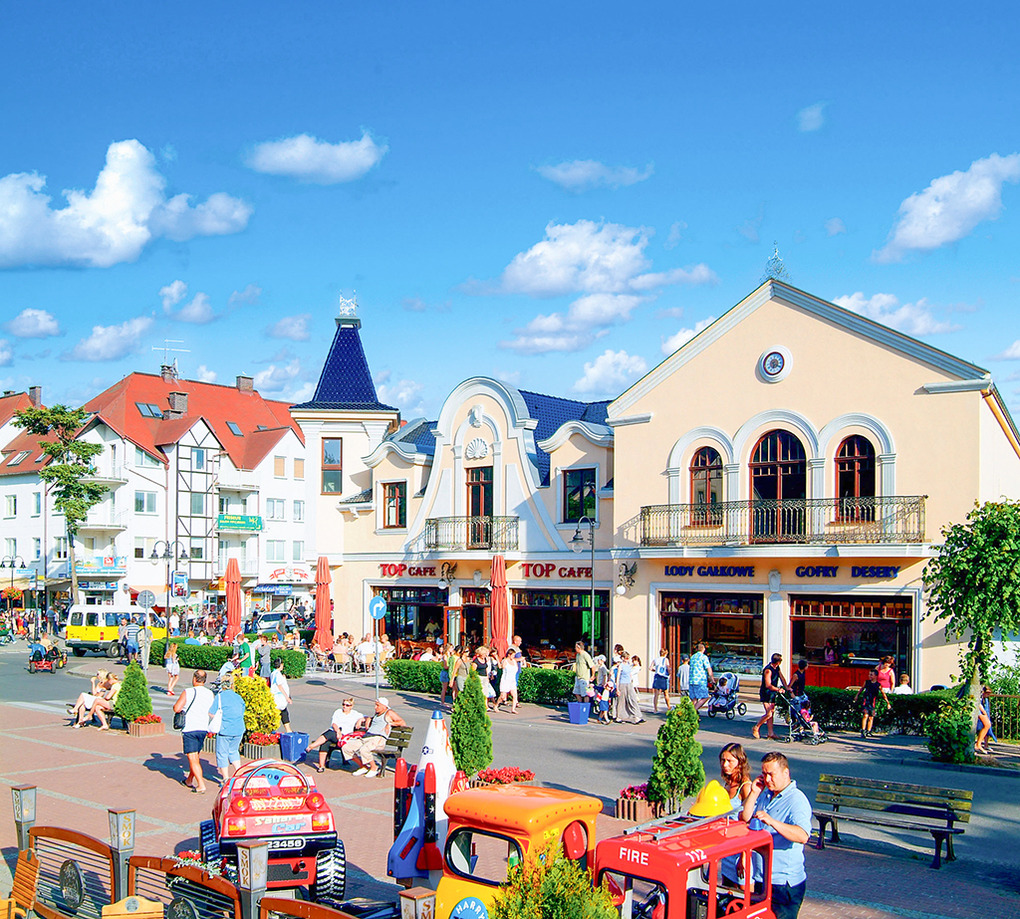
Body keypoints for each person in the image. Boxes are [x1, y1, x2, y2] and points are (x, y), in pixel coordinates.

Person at [740, 752, 811, 919]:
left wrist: (772, 822)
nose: (767, 779)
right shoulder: (766, 794)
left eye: (771, 774)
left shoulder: (796, 800)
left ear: (786, 772)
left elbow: (802, 836)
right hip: (763, 878)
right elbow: (745, 818)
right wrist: (754, 793)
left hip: (784, 883)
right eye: (764, 774)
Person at [341, 697, 407, 777]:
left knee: (364, 750)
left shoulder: (389, 712)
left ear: (384, 706)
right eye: (375, 705)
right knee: (346, 748)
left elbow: (402, 722)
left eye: (377, 705)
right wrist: (366, 719)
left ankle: (374, 768)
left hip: (378, 738)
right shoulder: (377, 713)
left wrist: (390, 724)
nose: (375, 707)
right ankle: (363, 766)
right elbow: (372, 719)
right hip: (367, 737)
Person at [173, 669, 215, 793]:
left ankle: (201, 785)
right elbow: (212, 711)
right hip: (203, 728)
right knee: (195, 756)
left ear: (194, 679)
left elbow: (177, 708)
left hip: (190, 728)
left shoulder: (188, 692)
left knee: (192, 758)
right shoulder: (210, 693)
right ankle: (189, 780)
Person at [307, 697, 366, 772]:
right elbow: (334, 724)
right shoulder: (338, 712)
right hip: (336, 733)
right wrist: (338, 731)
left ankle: (312, 746)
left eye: (347, 705)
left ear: (351, 706)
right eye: (343, 704)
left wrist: (360, 720)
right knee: (326, 742)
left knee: (330, 734)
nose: (344, 707)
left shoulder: (355, 714)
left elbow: (366, 718)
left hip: (345, 736)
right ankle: (321, 766)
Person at [208, 672, 246, 781]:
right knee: (233, 751)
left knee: (222, 753)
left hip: (225, 729)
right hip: (239, 729)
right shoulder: (238, 697)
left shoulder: (219, 697)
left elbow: (211, 713)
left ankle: (225, 778)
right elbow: (242, 711)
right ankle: (240, 773)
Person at [753, 653, 789, 740]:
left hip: (772, 693)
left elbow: (782, 678)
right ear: (778, 662)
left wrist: (787, 687)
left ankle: (770, 733)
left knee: (771, 714)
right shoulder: (768, 670)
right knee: (769, 713)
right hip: (766, 693)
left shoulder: (777, 668)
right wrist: (778, 689)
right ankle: (756, 727)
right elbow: (768, 685)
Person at [855, 669, 887, 738]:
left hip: (872, 702)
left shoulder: (878, 685)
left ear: (876, 676)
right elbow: (861, 689)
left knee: (871, 717)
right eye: (869, 675)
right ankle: (863, 730)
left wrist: (887, 702)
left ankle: (869, 731)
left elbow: (883, 693)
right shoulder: (867, 682)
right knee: (865, 715)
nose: (870, 676)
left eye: (871, 675)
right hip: (866, 700)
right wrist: (857, 696)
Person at [719, 743, 753, 809]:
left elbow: (750, 811)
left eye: (729, 761)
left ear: (740, 762)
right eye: (723, 760)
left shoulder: (745, 787)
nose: (725, 764)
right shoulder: (729, 782)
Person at [614, 652, 644, 724]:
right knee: (621, 701)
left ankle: (637, 716)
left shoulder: (628, 665)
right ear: (623, 658)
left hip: (629, 684)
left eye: (628, 658)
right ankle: (619, 717)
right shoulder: (621, 666)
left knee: (633, 699)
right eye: (626, 658)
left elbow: (630, 674)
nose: (627, 659)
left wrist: (631, 681)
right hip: (622, 684)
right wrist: (617, 689)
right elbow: (618, 677)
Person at [688, 643, 714, 714]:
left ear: (697, 649)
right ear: (704, 649)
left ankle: (693, 716)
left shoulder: (692, 657)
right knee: (705, 697)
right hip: (700, 680)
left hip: (691, 680)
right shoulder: (704, 657)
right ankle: (693, 711)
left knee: (694, 699)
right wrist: (712, 679)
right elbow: (708, 669)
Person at [270, 657, 292, 732]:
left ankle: (287, 729)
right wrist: (287, 698)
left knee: (282, 713)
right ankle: (287, 730)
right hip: (279, 698)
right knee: (283, 712)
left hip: (276, 697)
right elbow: (280, 686)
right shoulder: (277, 674)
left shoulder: (274, 673)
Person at [495, 647, 520, 713]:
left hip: (512, 680)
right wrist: (497, 659)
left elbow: (516, 669)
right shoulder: (505, 661)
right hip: (505, 680)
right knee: (502, 696)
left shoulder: (514, 661)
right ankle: (496, 705)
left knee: (514, 695)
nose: (513, 656)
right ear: (509, 655)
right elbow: (500, 667)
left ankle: (513, 709)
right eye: (513, 655)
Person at [650, 648, 671, 713]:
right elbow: (668, 668)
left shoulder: (655, 660)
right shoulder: (666, 660)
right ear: (666, 653)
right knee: (666, 693)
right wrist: (669, 673)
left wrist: (655, 670)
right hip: (663, 677)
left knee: (656, 694)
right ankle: (669, 707)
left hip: (657, 676)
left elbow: (650, 668)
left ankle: (655, 709)